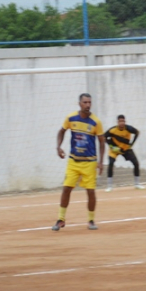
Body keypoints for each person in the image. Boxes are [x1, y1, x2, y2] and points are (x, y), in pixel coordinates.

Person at [53, 93, 105, 231]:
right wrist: (58, 147)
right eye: (85, 102)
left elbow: (101, 141)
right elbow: (61, 131)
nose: (88, 105)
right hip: (73, 161)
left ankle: (91, 220)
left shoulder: (96, 122)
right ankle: (60, 219)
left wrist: (101, 161)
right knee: (66, 189)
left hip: (89, 162)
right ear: (79, 104)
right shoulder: (71, 118)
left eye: (89, 102)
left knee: (91, 192)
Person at [104, 114, 144, 191]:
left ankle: (137, 184)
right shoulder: (112, 130)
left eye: (123, 121)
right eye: (120, 121)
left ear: (125, 122)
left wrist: (132, 144)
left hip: (125, 149)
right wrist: (111, 146)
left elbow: (137, 132)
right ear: (117, 122)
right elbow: (104, 136)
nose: (122, 123)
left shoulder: (129, 128)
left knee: (136, 163)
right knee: (110, 163)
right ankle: (109, 186)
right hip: (115, 150)